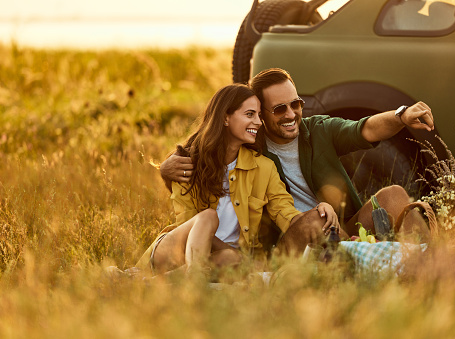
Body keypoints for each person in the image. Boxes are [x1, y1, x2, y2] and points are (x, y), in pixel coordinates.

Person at [160, 68, 434, 252]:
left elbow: (366, 129)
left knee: (394, 195)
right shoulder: (251, 144)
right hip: (289, 243)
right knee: (313, 221)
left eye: (296, 104)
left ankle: (434, 262)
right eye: (279, 109)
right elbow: (205, 147)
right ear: (261, 115)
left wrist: (401, 115)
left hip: (338, 229)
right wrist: (166, 167)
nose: (291, 114)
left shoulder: (318, 130)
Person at [136, 83, 341, 276]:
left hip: (225, 261)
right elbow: (188, 226)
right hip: (175, 251)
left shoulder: (263, 168)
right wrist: (242, 259)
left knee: (229, 258)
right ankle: (189, 277)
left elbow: (287, 215)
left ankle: (153, 281)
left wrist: (320, 210)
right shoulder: (187, 164)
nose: (258, 122)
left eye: (259, 115)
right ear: (226, 118)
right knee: (208, 218)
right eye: (249, 114)